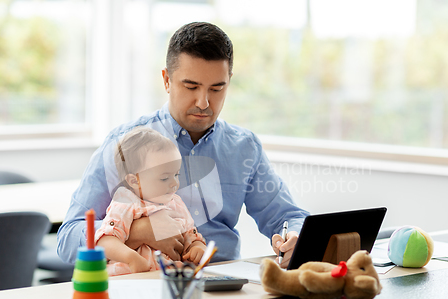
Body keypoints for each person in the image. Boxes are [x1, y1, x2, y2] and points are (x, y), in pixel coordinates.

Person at [58, 21, 309, 268]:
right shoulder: (123, 145)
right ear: (167, 80)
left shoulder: (244, 148)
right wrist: (138, 231)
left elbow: (289, 217)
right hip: (142, 283)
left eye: (216, 89)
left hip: (222, 282)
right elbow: (68, 238)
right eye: (191, 86)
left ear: (229, 82)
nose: (203, 102)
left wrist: (295, 238)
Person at [95, 127, 206, 276]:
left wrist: (197, 248)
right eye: (165, 178)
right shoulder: (126, 202)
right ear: (135, 181)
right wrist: (131, 258)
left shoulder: (176, 203)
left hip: (168, 280)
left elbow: (191, 237)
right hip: (129, 278)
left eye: (176, 174)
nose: (174, 183)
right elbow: (104, 242)